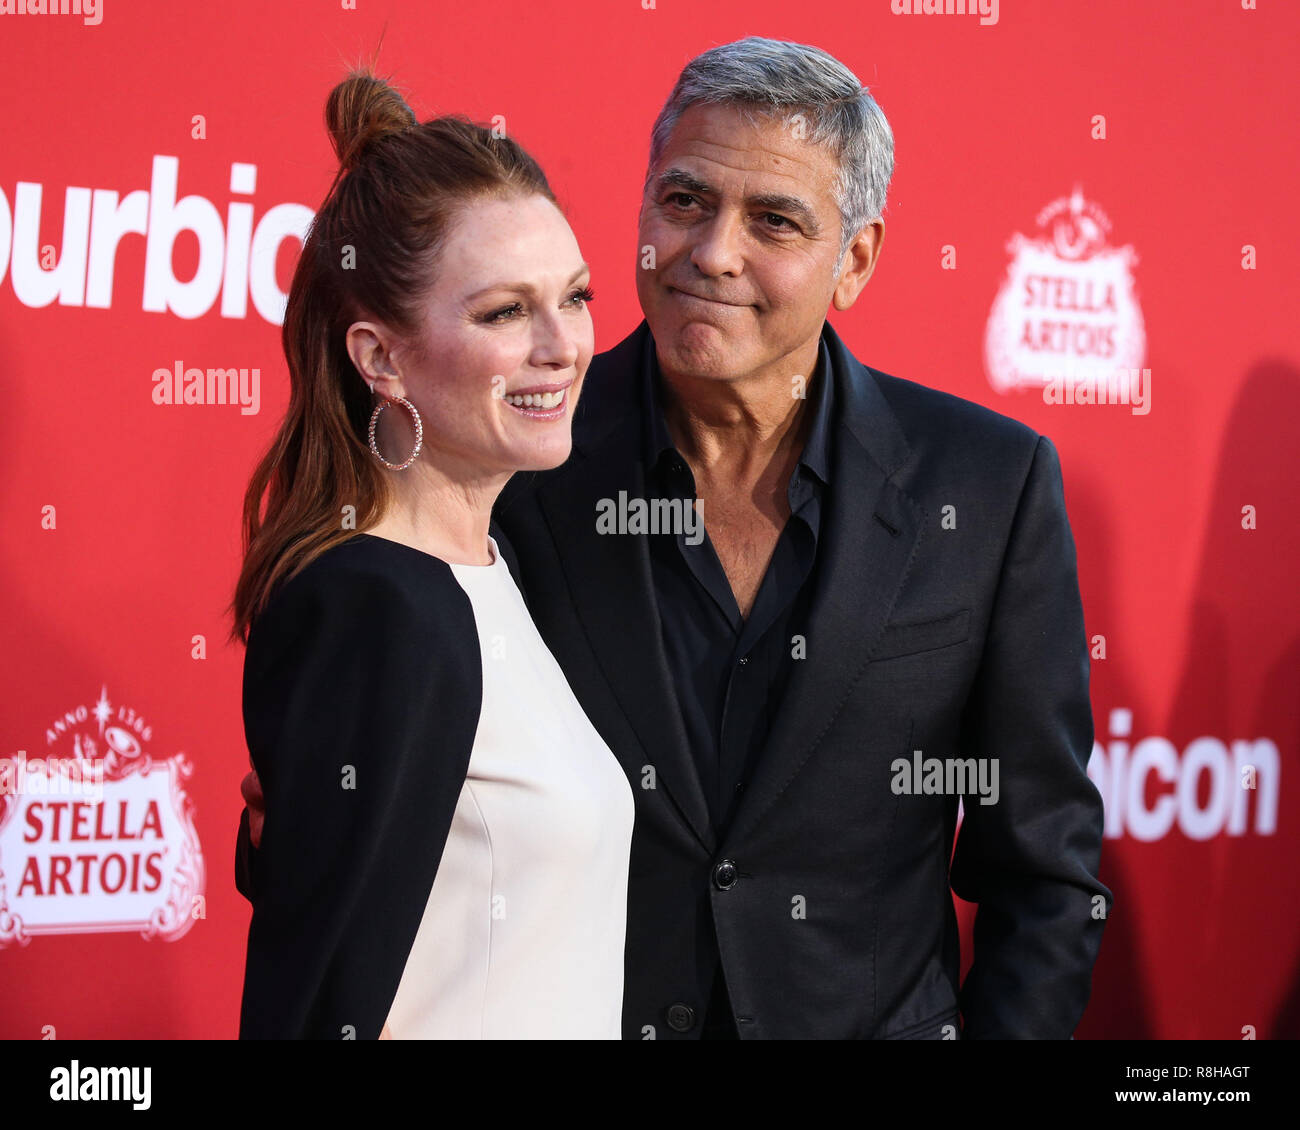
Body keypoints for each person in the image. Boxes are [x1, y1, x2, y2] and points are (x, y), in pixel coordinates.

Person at [239, 36, 1111, 1039]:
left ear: (854, 259)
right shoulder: (516, 465)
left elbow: (1043, 868)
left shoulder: (984, 484)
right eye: (686, 200)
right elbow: (386, 849)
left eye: (774, 219)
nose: (712, 251)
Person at [230, 69, 632, 1039]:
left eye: (572, 297)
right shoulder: (377, 607)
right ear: (381, 358)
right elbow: (317, 998)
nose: (563, 345)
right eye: (503, 312)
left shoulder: (497, 576)